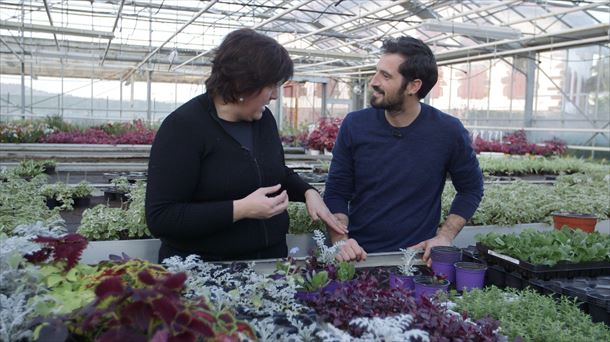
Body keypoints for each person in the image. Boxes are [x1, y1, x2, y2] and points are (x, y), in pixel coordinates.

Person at [145, 28, 347, 262]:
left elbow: (273, 172)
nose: (274, 96)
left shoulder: (263, 121)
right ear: (243, 84)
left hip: (270, 266)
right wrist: (240, 209)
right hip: (205, 273)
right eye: (271, 86)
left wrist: (307, 192)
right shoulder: (184, 127)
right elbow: (161, 217)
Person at [323, 36, 484, 265]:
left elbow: (471, 188)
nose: (373, 82)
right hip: (359, 258)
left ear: (413, 86)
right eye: (377, 72)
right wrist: (341, 240)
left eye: (386, 76)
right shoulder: (355, 125)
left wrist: (444, 237)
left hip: (417, 260)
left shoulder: (448, 131)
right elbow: (337, 190)